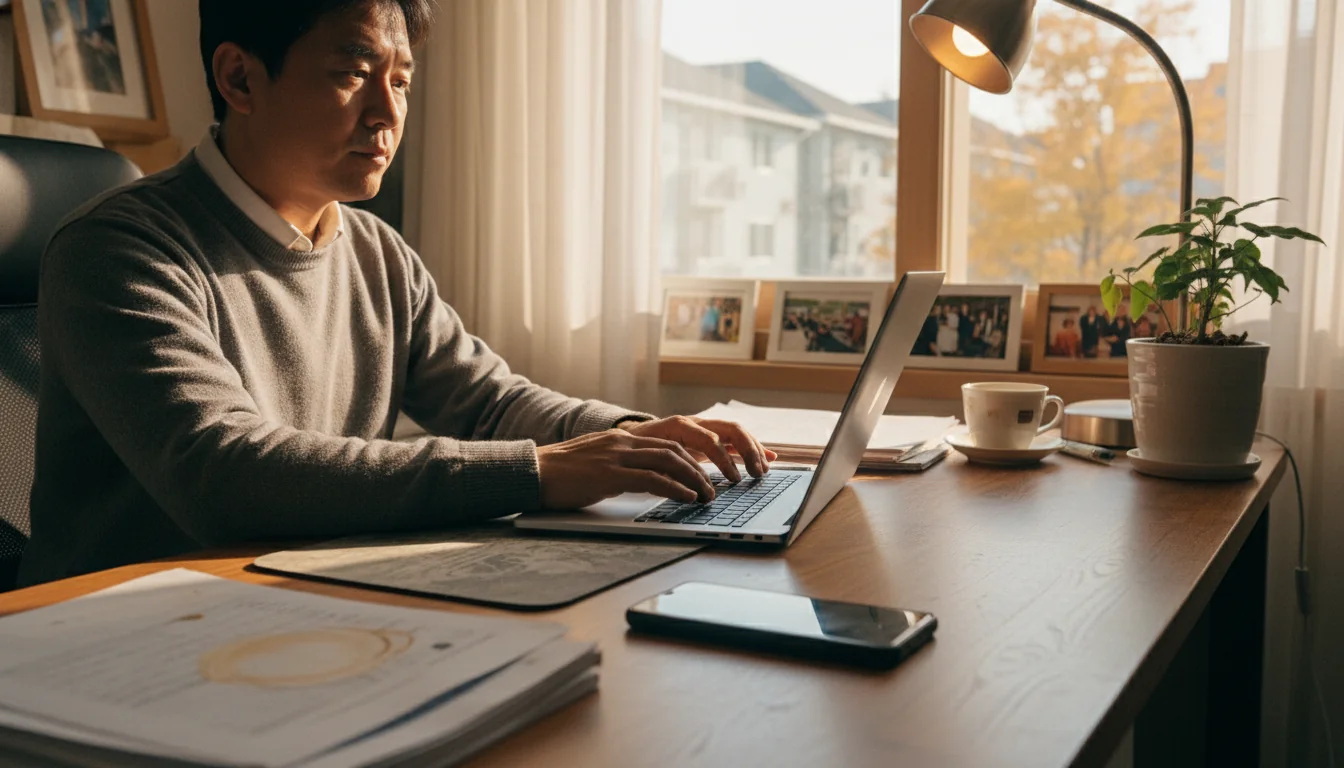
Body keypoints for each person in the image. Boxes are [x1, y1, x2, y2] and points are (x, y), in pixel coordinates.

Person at [19, 0, 774, 587]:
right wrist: (540, 472)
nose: (388, 113)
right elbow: (221, 472)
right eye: (354, 73)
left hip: (304, 597)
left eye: (402, 81)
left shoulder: (377, 252)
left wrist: (644, 438)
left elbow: (491, 403)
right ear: (239, 78)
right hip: (124, 634)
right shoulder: (118, 248)